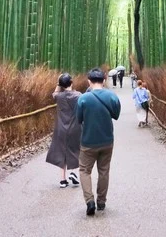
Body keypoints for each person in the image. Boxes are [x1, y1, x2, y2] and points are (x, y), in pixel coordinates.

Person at [75, 68, 121, 216]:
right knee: (104, 171)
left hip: (88, 141)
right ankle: (101, 202)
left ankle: (90, 201)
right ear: (104, 79)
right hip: (107, 140)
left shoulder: (83, 98)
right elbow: (116, 114)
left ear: (89, 81)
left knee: (84, 170)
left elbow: (78, 119)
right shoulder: (112, 96)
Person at [46, 73, 81, 188]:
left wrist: (58, 84)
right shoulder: (78, 95)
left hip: (61, 128)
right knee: (75, 149)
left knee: (62, 152)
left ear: (61, 85)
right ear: (71, 83)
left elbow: (54, 93)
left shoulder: (59, 96)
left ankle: (62, 180)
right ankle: (74, 173)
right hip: (74, 127)